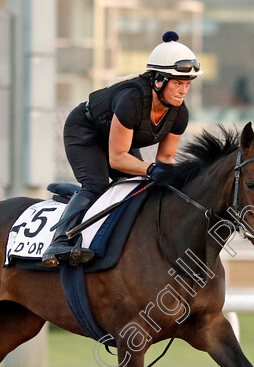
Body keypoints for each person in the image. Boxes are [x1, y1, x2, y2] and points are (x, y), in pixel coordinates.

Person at [42, 31, 203, 267]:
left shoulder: (180, 113)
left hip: (116, 140)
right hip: (86, 131)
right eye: (178, 83)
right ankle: (60, 241)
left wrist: (169, 179)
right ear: (158, 80)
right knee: (97, 185)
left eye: (187, 84)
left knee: (140, 188)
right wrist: (150, 169)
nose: (183, 91)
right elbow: (117, 159)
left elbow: (166, 156)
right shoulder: (133, 100)